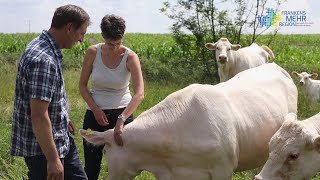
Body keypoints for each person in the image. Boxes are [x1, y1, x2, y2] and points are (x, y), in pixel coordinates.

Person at [10, 4, 90, 180]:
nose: (81, 40)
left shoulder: (41, 45)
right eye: (81, 33)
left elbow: (46, 99)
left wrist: (64, 118)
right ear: (69, 27)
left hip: (60, 139)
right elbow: (38, 115)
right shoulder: (44, 59)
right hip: (44, 151)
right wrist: (53, 160)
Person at [79, 14, 144, 180]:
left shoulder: (130, 57)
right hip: (94, 115)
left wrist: (122, 120)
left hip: (123, 115)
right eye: (110, 43)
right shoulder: (93, 52)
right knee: (91, 167)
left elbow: (139, 94)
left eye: (118, 43)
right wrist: (95, 109)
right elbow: (82, 86)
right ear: (103, 36)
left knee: (123, 167)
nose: (114, 47)